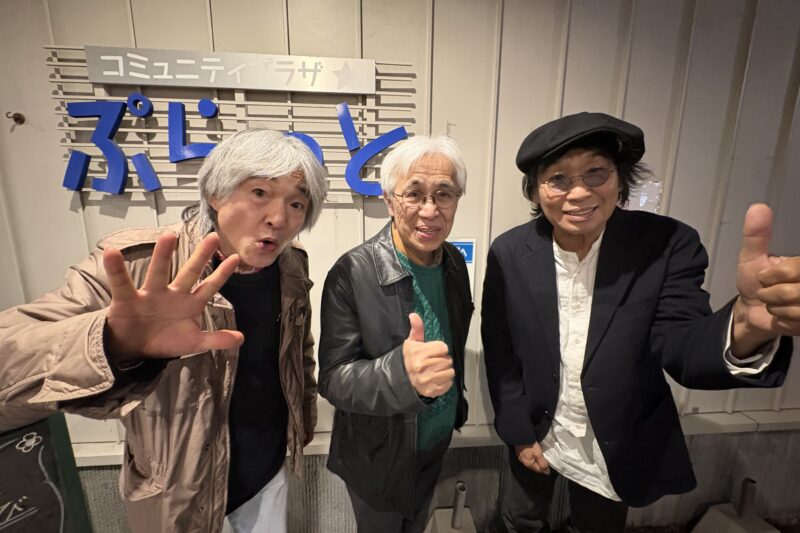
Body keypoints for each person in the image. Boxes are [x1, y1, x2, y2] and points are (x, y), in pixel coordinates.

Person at [481, 112, 798, 532]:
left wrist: (744, 329)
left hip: (613, 443)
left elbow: (680, 344)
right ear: (537, 190)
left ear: (619, 179)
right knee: (520, 520)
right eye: (558, 179)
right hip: (539, 429)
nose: (579, 192)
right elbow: (501, 351)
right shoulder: (509, 252)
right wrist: (520, 433)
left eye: (596, 172)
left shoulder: (664, 245)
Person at [0, 128, 328, 533]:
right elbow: (9, 356)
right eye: (259, 193)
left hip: (268, 469)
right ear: (216, 193)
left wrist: (302, 421)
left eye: (296, 203)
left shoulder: (291, 264)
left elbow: (297, 351)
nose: (278, 219)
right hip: (178, 487)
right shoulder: (139, 262)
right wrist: (112, 342)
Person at [318, 135, 473, 533]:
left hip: (435, 444)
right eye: (414, 194)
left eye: (444, 194)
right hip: (378, 458)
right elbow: (333, 378)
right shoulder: (352, 271)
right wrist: (402, 377)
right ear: (389, 201)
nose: (430, 210)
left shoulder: (455, 262)